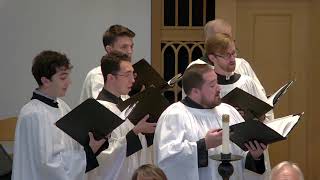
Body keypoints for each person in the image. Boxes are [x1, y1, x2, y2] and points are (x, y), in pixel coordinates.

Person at [154, 64, 267, 180]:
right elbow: (167, 160)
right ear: (195, 92)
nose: (219, 88)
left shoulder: (228, 111)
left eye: (217, 82)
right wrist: (204, 144)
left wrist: (254, 156)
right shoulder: (174, 115)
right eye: (212, 85)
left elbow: (240, 159)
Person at [12, 50, 106, 180]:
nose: (69, 82)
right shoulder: (33, 114)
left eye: (68, 76)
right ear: (45, 80)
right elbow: (48, 165)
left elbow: (73, 145)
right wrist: (88, 153)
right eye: (63, 78)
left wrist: (94, 138)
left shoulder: (62, 105)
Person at [87, 51, 155, 180]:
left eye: (133, 74)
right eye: (127, 75)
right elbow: (101, 159)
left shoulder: (128, 106)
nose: (133, 80)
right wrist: (135, 132)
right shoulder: (98, 110)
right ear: (111, 77)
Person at [205, 33, 273, 122]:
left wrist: (258, 117)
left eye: (233, 53)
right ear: (212, 58)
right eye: (226, 55)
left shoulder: (247, 82)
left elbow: (268, 116)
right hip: (220, 134)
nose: (232, 58)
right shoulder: (205, 86)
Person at [190, 18, 265, 94]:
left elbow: (259, 93)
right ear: (209, 41)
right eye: (223, 38)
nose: (228, 42)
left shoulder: (242, 64)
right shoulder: (195, 68)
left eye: (229, 37)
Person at [80, 24, 135, 102]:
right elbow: (106, 107)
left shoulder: (125, 73)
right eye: (124, 47)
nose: (130, 51)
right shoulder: (97, 75)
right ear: (109, 50)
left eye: (131, 47)